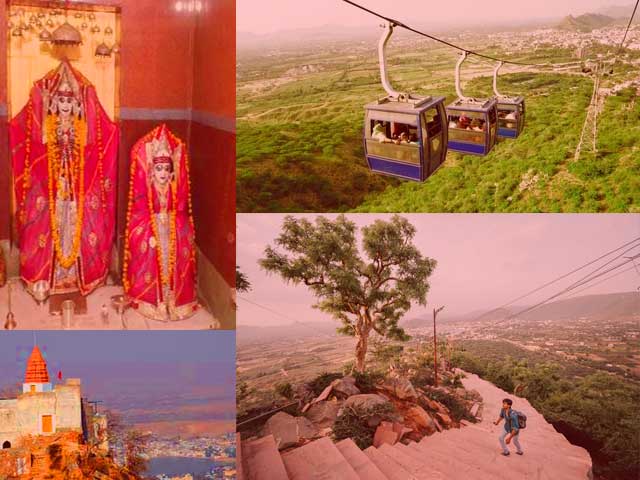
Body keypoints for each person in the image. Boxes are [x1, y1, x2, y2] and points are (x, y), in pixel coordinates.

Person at [9, 60, 119, 298]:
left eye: (70, 100)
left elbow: (94, 151)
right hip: (54, 187)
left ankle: (76, 275)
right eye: (61, 100)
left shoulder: (84, 128)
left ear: (77, 104)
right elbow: (34, 151)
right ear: (53, 103)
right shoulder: (47, 127)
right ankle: (54, 275)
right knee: (50, 225)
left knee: (78, 224)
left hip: (77, 188)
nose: (66, 104)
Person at [123, 124, 199, 321]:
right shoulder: (147, 189)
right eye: (158, 168)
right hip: (153, 231)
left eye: (166, 168)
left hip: (172, 231)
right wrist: (149, 233)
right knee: (154, 256)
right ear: (151, 171)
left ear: (172, 171)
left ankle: (172, 299)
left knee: (172, 260)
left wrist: (179, 229)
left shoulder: (175, 189)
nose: (163, 173)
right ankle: (155, 301)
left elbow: (182, 212)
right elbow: (138, 215)